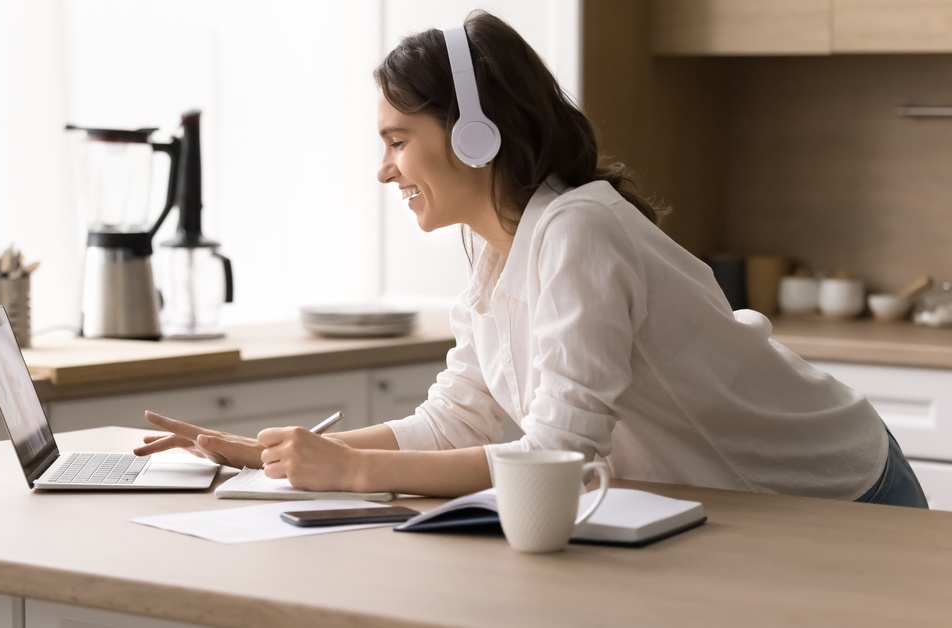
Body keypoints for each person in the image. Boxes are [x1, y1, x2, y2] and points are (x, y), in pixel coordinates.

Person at [134, 10, 927, 507]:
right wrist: (278, 451)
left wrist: (351, 472)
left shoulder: (579, 230)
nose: (384, 171)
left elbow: (558, 455)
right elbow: (458, 419)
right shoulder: (491, 246)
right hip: (748, 507)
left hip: (841, 493)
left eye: (398, 140)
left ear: (475, 135)